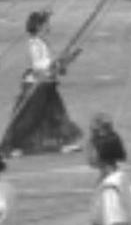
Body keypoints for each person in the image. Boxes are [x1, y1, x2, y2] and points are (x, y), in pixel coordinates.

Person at [2, 11, 82, 157]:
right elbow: (40, 66)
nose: (49, 26)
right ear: (39, 26)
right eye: (46, 23)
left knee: (57, 113)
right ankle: (12, 145)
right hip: (37, 86)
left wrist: (65, 61)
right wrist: (57, 62)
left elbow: (51, 68)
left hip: (47, 84)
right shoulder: (35, 44)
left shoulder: (42, 43)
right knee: (29, 117)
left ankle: (66, 142)